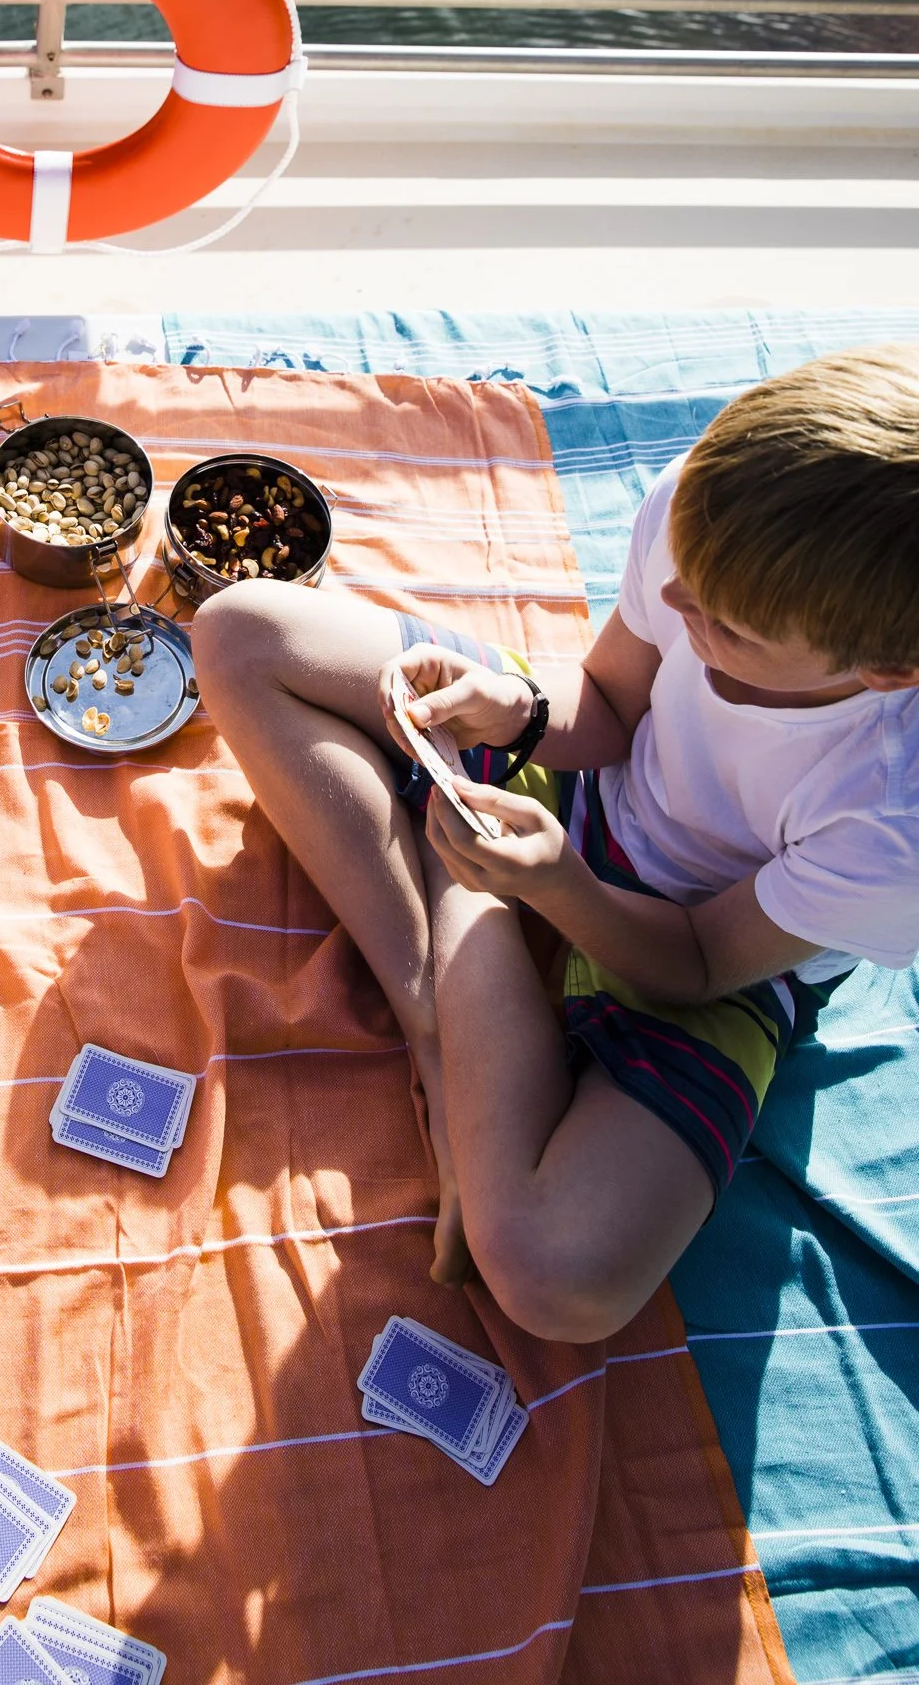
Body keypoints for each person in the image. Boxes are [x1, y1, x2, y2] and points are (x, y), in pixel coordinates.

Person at [195, 349, 919, 1342]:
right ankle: (438, 1014)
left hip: (710, 959)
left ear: (886, 672)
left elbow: (699, 963)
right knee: (242, 630)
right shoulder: (711, 516)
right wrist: (523, 714)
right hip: (582, 794)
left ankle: (466, 911)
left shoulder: (895, 817)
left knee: (555, 1281)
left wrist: (551, 888)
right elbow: (613, 701)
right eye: (683, 580)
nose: (675, 611)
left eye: (728, 632)